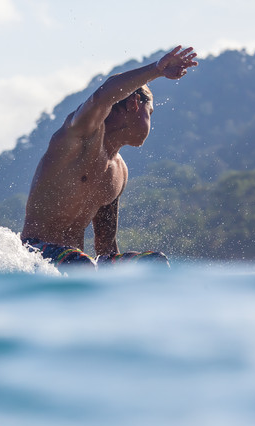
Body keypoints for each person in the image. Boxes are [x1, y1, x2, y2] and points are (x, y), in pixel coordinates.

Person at [21, 45, 198, 269]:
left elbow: (106, 250)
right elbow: (100, 98)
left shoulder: (119, 171)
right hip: (34, 253)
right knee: (79, 263)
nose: (150, 121)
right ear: (134, 105)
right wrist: (156, 69)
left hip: (78, 261)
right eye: (150, 112)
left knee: (154, 264)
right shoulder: (79, 137)